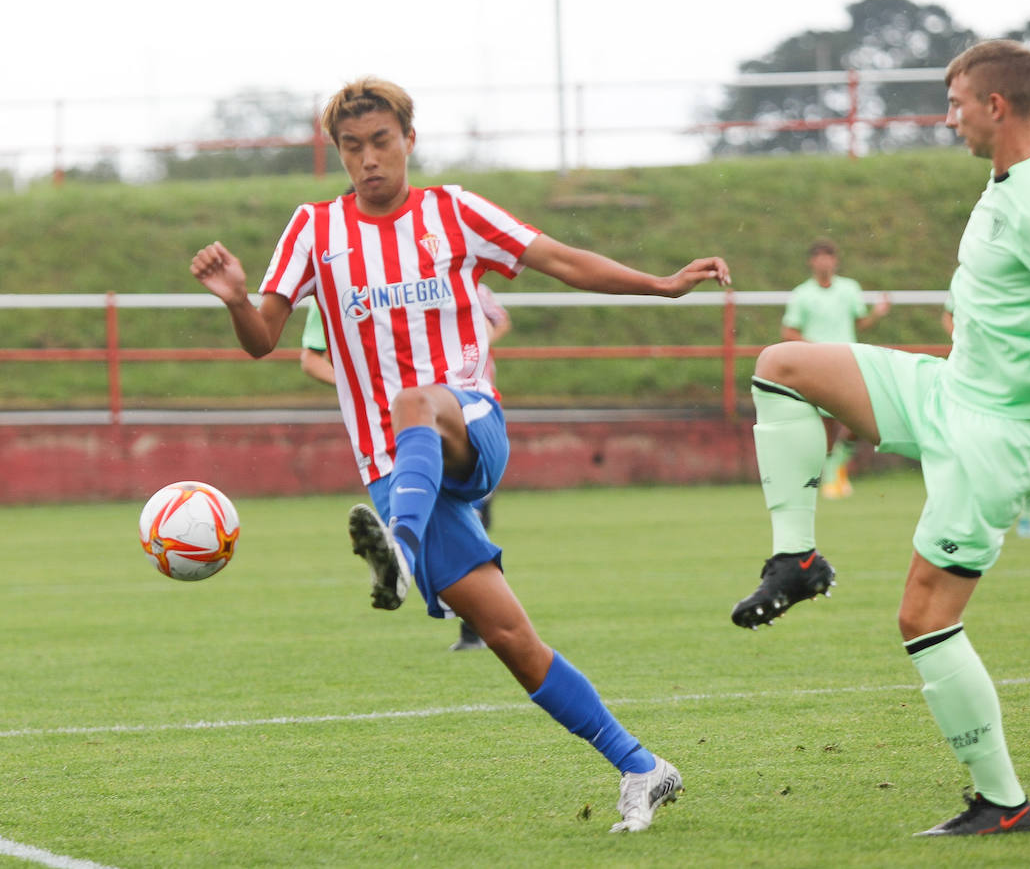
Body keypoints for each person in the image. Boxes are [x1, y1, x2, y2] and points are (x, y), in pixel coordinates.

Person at [191, 76, 731, 833]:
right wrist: (237, 301)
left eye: (381, 142)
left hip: (468, 423)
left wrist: (660, 285)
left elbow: (561, 258)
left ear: (409, 139)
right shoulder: (313, 230)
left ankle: (399, 555)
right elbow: (263, 342)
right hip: (393, 471)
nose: (368, 159)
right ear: (338, 153)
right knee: (512, 639)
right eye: (352, 148)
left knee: (416, 398)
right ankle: (643, 766)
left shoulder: (454, 212)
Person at [729, 40, 1030, 836]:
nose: (948, 116)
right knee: (781, 365)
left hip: (993, 438)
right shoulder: (1007, 180)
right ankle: (794, 559)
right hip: (947, 389)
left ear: (995, 107)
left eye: (957, 102)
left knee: (922, 617)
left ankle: (1004, 804)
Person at [299, 291, 504, 650]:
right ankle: (470, 618)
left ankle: (465, 613)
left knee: (469, 511)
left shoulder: (436, 261)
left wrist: (465, 345)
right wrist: (355, 385)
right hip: (394, 422)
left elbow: (495, 320)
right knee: (442, 520)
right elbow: (310, 358)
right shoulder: (332, 288)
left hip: (463, 409)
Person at [781, 238, 890, 499]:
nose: (824, 262)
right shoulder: (802, 294)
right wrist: (816, 348)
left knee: (861, 417)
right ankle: (830, 473)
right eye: (819, 257)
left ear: (835, 261)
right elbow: (788, 331)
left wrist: (877, 313)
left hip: (849, 360)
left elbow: (859, 322)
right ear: (812, 262)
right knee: (826, 422)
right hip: (818, 364)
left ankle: (836, 464)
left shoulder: (850, 288)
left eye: (828, 257)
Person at [942, 294, 1030, 538]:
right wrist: (964, 343)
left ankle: (1027, 517)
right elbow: (947, 316)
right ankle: (976, 515)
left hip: (1021, 379)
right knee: (976, 446)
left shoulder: (1023, 285)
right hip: (980, 381)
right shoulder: (965, 280)